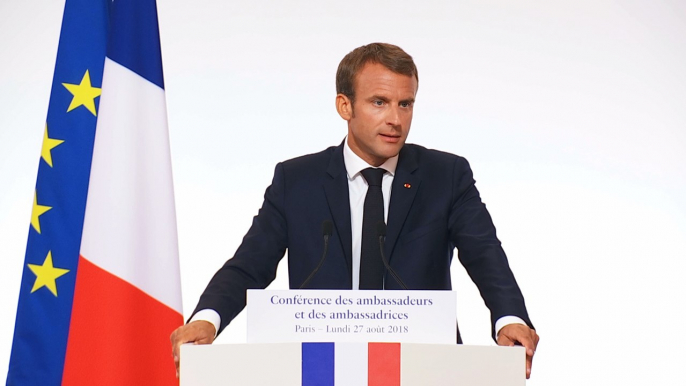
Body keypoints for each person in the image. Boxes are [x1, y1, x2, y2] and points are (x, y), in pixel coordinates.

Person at [171, 42, 539, 378]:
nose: (395, 119)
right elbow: (251, 263)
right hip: (317, 369)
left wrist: (510, 319)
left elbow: (485, 255)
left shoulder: (446, 176)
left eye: (405, 103)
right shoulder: (297, 180)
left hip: (423, 369)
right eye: (379, 102)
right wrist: (208, 320)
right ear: (344, 106)